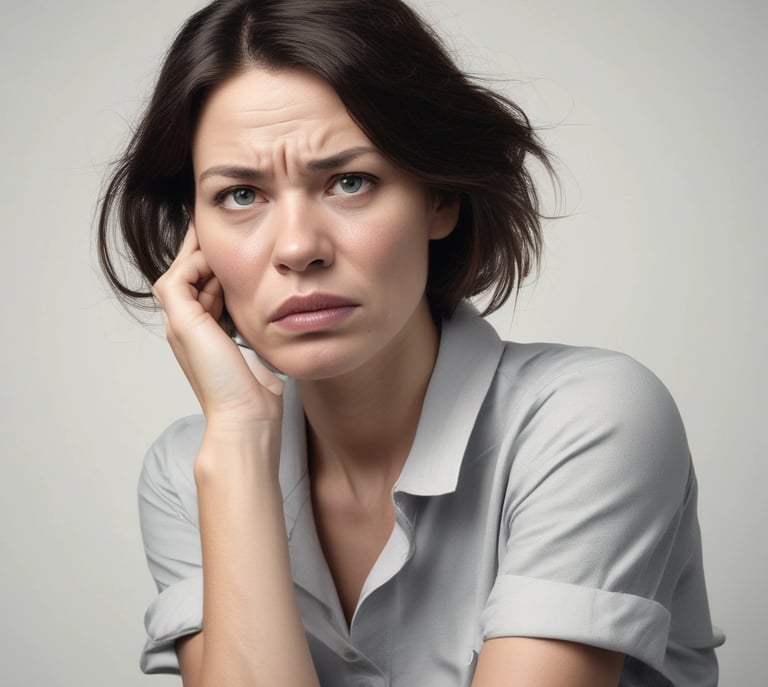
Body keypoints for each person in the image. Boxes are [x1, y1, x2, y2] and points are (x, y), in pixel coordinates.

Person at [97, 1, 724, 685]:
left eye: (350, 182)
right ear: (194, 234)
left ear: (439, 198)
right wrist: (241, 445)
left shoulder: (590, 420)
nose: (298, 247)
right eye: (241, 195)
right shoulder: (193, 469)